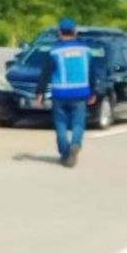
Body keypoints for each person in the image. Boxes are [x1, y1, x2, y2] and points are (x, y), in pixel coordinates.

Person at [35, 18, 96, 167]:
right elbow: (92, 72)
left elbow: (45, 73)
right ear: (75, 32)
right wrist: (93, 92)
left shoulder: (54, 51)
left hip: (60, 94)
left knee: (61, 124)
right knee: (78, 124)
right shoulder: (86, 50)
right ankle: (75, 144)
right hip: (80, 93)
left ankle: (65, 153)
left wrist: (40, 93)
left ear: (59, 32)